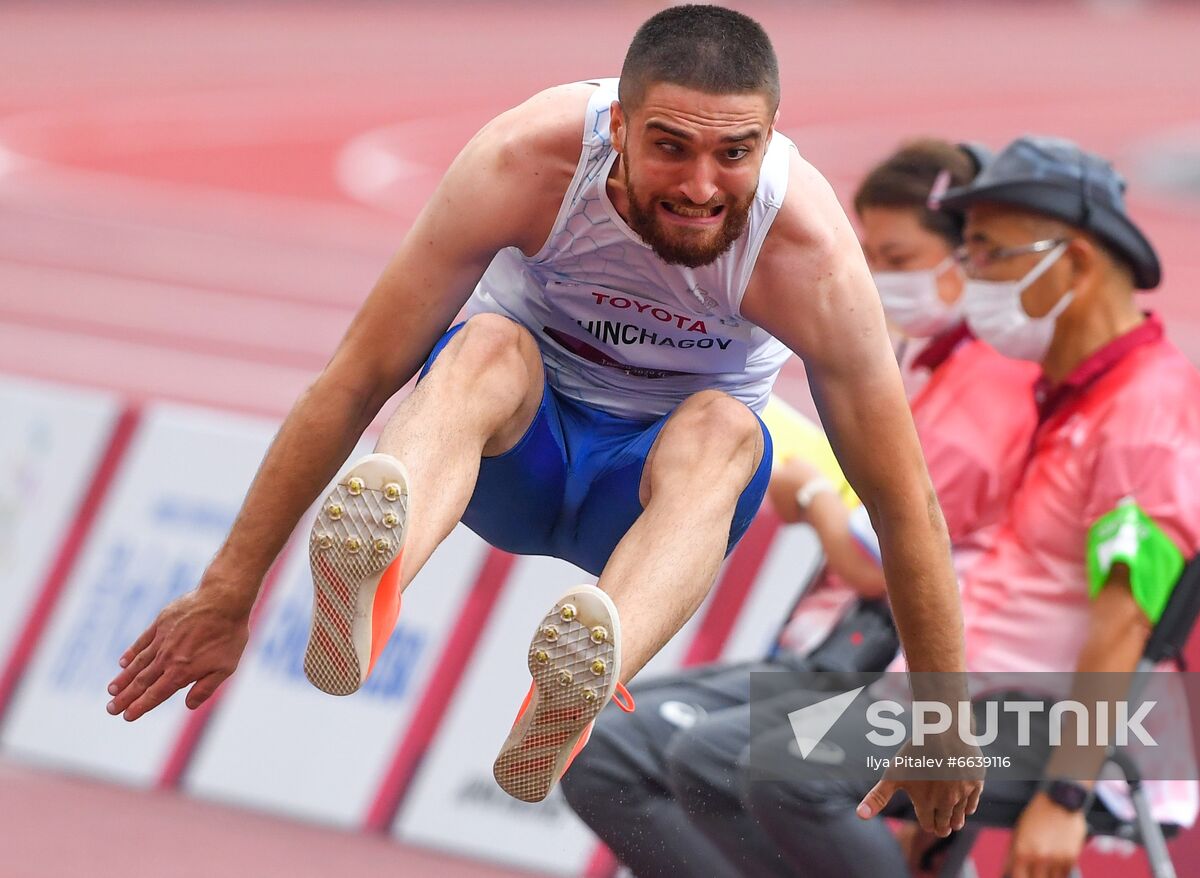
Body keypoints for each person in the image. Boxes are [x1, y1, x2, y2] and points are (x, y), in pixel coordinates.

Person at [102, 5, 981, 824]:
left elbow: (905, 502)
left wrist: (942, 715)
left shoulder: (806, 252)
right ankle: (376, 576)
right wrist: (228, 591)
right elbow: (357, 376)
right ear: (616, 130)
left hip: (648, 504)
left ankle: (584, 674)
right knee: (487, 343)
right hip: (513, 454)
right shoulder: (529, 160)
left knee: (728, 424)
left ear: (770, 139)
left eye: (735, 154)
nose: (703, 187)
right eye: (670, 148)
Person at [700, 136, 1200, 878]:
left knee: (783, 769)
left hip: (1053, 730)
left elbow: (1127, 620)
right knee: (720, 755)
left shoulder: (1148, 416)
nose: (971, 276)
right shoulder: (1072, 396)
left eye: (988, 254)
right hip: (975, 704)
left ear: (1073, 263)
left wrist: (1066, 795)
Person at [560, 139, 1039, 877]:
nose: (877, 278)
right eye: (867, 252)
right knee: (597, 744)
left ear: (966, 258)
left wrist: (811, 491)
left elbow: (887, 567)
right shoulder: (921, 370)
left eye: (900, 257)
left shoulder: (982, 397)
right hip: (830, 652)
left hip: (884, 666)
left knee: (694, 758)